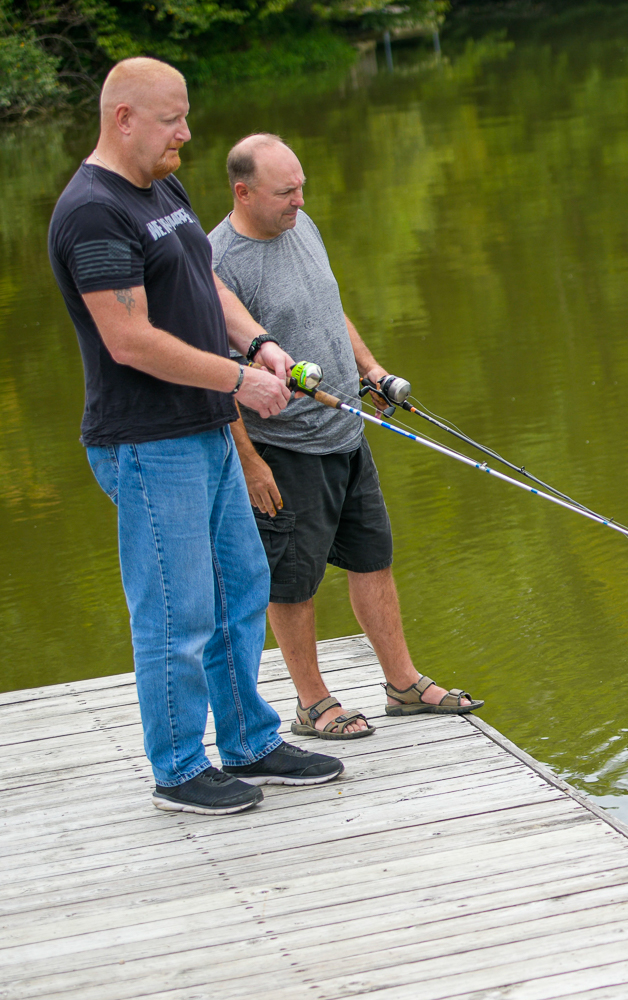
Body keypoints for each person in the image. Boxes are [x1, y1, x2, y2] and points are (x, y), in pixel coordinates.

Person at [48, 58, 344, 815]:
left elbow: (205, 282)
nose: (185, 133)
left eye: (185, 117)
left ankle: (249, 740)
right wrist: (238, 381)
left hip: (204, 427)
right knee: (178, 611)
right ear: (124, 119)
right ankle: (178, 769)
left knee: (243, 588)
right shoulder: (92, 211)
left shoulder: (160, 188)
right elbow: (129, 339)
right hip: (148, 442)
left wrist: (259, 345)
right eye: (171, 119)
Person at [209, 133, 482, 740]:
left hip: (347, 429)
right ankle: (312, 703)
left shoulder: (300, 227)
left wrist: (373, 373)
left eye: (301, 187)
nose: (299, 201)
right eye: (286, 192)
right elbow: (215, 379)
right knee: (293, 581)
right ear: (243, 192)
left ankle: (403, 684)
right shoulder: (216, 264)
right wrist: (249, 462)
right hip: (284, 449)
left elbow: (330, 312)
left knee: (373, 557)